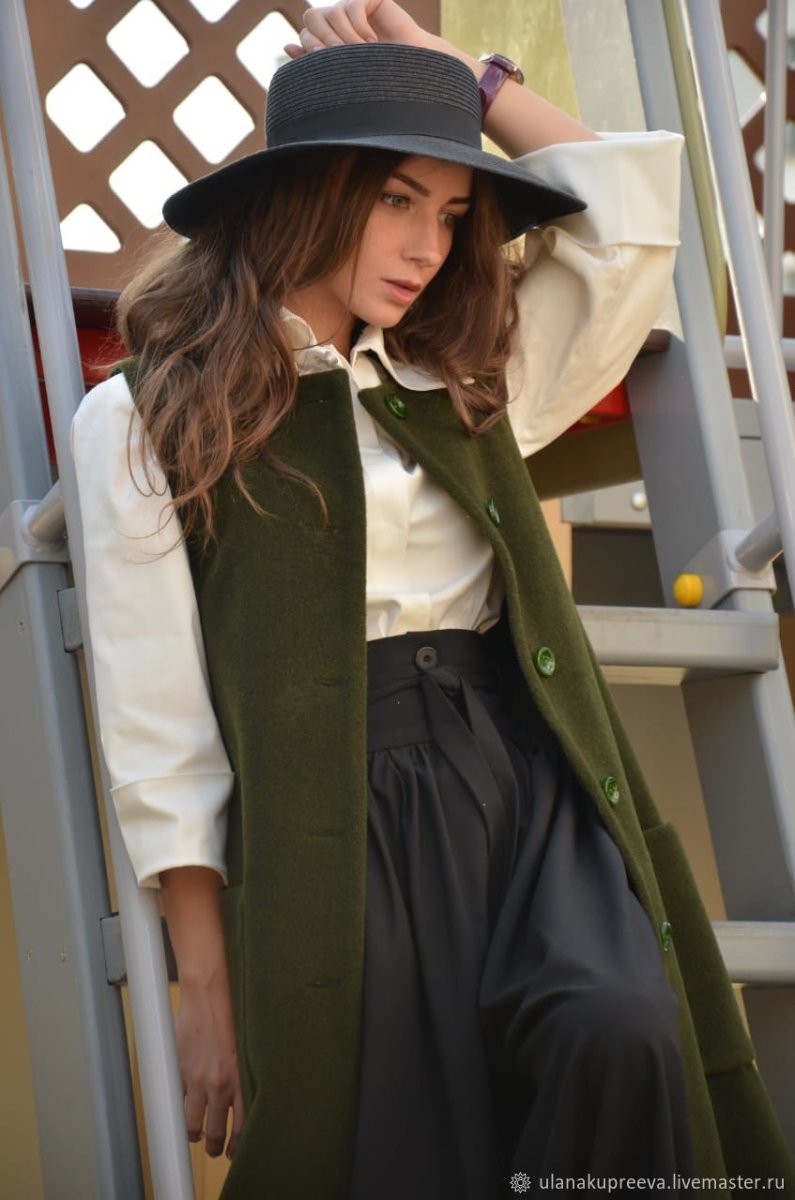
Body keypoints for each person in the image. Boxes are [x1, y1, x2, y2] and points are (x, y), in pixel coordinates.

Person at [71, 2, 794, 1196]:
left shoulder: (464, 374)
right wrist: (206, 982)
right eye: (398, 201)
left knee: (624, 1030)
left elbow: (625, 215)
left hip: (519, 768)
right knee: (412, 1143)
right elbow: (162, 730)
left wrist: (474, 80)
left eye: (453, 216)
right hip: (329, 809)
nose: (429, 247)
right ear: (305, 196)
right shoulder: (149, 414)